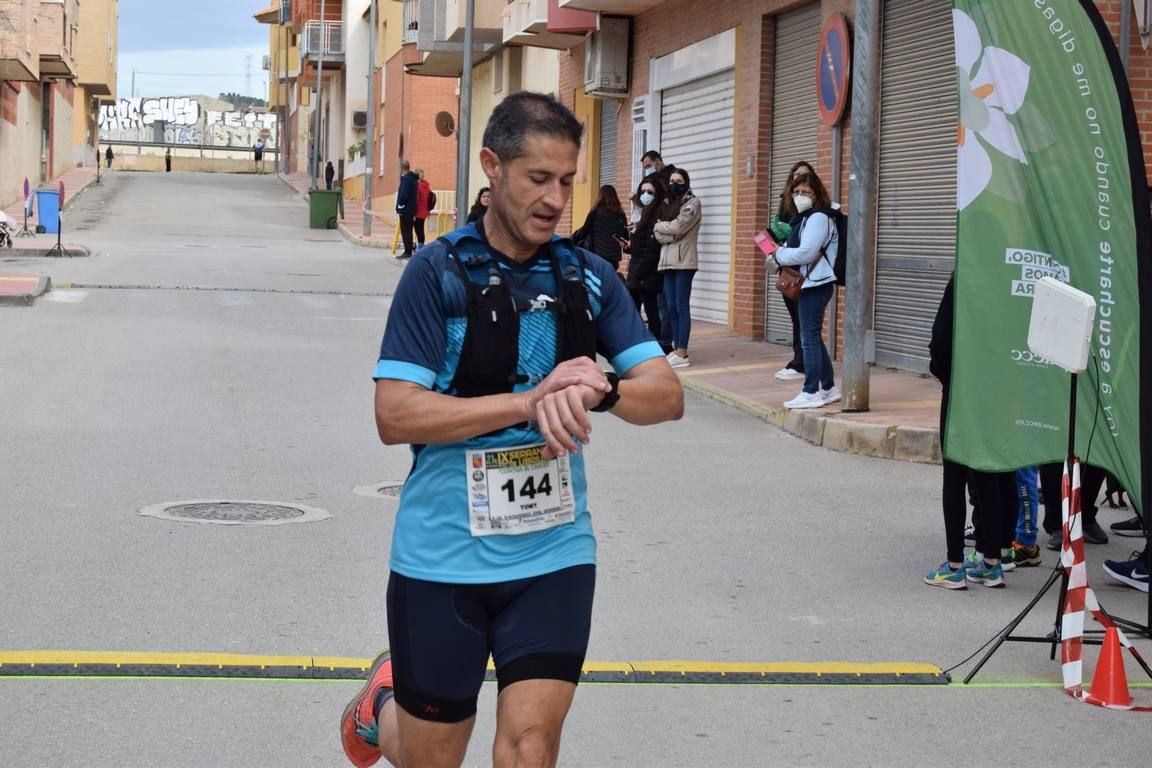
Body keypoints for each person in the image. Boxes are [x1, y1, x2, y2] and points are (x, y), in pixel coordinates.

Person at [341, 90, 684, 768]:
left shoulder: (587, 279)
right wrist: (529, 402)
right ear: (492, 167)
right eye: (537, 179)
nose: (555, 199)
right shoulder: (435, 273)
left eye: (566, 181)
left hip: (553, 553)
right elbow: (395, 414)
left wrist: (604, 389)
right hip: (441, 558)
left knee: (530, 748)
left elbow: (666, 395)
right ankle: (382, 709)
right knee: (430, 758)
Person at [924, 275, 1016, 589]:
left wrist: (946, 376)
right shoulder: (1003, 276)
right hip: (996, 389)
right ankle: (991, 562)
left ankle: (954, 565)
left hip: (962, 388)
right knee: (987, 472)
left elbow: (940, 339)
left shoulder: (964, 276)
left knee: (955, 476)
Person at [773, 171, 839, 409]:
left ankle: (811, 391)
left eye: (806, 192)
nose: (801, 196)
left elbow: (806, 253)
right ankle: (829, 388)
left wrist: (778, 253)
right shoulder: (802, 218)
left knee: (808, 339)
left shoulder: (818, 218)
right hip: (809, 282)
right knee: (813, 337)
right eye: (797, 192)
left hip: (816, 284)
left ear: (817, 195)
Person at [770, 160, 816, 381]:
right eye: (796, 175)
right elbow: (777, 231)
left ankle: (803, 364)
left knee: (806, 322)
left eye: (804, 176)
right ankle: (800, 361)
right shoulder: (786, 203)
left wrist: (788, 232)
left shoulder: (815, 210)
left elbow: (803, 239)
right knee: (797, 320)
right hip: (788, 270)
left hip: (807, 272)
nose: (799, 180)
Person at [655, 168, 701, 369]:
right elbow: (661, 234)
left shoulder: (692, 203)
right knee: (671, 308)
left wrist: (660, 227)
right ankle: (676, 349)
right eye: (672, 180)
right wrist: (667, 232)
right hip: (666, 263)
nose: (675, 184)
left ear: (686, 183)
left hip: (684, 263)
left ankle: (683, 352)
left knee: (681, 307)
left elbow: (679, 227)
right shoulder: (668, 204)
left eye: (679, 180)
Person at [626, 176, 667, 340]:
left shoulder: (656, 215)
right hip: (637, 273)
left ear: (657, 194)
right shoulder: (644, 214)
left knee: (651, 313)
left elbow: (652, 250)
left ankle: (654, 346)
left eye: (650, 191)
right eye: (643, 191)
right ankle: (637, 344)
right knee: (633, 313)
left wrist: (637, 272)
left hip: (646, 274)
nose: (645, 194)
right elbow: (641, 245)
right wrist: (629, 244)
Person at [571, 184, 628, 271]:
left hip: (597, 257)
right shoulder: (621, 215)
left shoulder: (595, 212)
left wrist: (573, 238)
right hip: (613, 260)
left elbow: (584, 232)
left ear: (600, 196)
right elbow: (624, 238)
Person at [395, 160, 419, 258]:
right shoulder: (413, 179)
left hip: (405, 210)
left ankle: (407, 252)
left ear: (402, 168)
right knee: (408, 230)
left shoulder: (406, 179)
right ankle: (408, 250)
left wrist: (400, 204)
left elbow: (403, 195)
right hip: (411, 209)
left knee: (405, 231)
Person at [414, 170, 433, 249]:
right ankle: (421, 245)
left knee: (417, 229)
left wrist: (414, 210)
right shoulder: (427, 186)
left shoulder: (417, 186)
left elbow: (416, 199)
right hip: (424, 211)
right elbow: (430, 197)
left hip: (418, 211)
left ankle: (420, 246)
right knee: (421, 228)